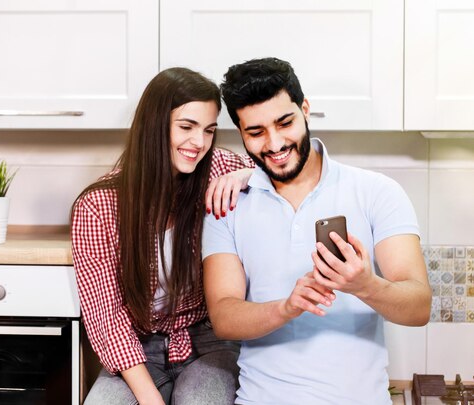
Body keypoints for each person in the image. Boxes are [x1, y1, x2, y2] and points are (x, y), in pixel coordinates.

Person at [202, 57, 431, 405]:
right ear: (241, 133)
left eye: (285, 122)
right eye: (256, 132)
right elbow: (223, 316)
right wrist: (286, 308)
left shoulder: (376, 192)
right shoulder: (228, 205)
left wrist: (365, 285)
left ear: (305, 109)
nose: (275, 143)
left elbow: (419, 307)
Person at [71, 67, 254, 405]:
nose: (199, 143)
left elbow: (279, 175)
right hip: (138, 347)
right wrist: (150, 399)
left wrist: (245, 176)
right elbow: (107, 318)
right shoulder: (98, 205)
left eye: (209, 130)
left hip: (208, 340)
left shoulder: (216, 170)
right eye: (186, 127)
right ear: (154, 125)